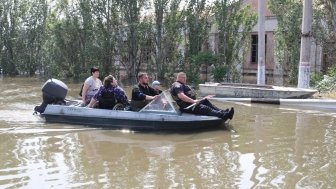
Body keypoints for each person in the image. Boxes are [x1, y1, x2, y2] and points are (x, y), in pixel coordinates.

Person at [170, 72, 234, 122]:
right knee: (206, 109)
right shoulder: (177, 85)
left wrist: (199, 99)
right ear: (180, 78)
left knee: (205, 101)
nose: (185, 79)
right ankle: (225, 115)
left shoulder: (181, 85)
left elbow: (188, 95)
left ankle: (222, 111)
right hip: (188, 106)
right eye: (184, 78)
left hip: (191, 103)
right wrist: (193, 101)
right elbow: (181, 96)